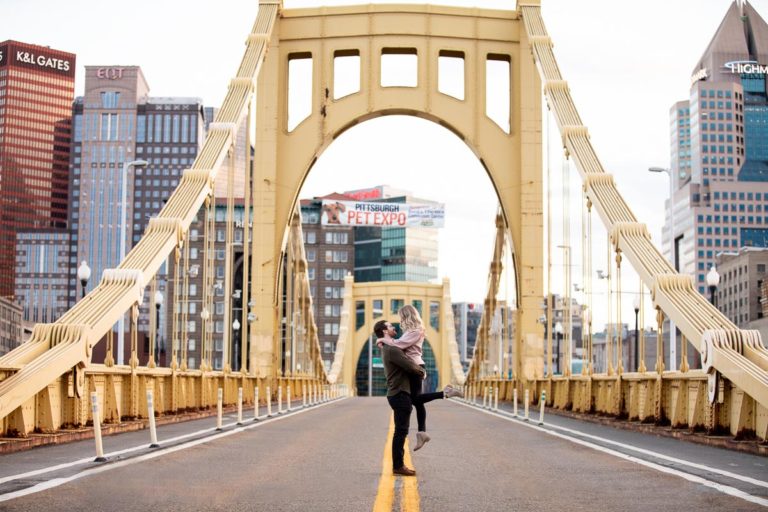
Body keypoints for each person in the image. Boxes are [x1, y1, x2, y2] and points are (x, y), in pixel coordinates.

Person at [377, 305, 463, 452]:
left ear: (406, 316)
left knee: (416, 399)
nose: (400, 320)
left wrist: (383, 340)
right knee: (417, 400)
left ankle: (446, 393)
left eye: (401, 316)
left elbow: (399, 345)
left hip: (414, 367)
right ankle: (422, 433)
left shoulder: (416, 331)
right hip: (413, 366)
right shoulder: (410, 331)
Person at [374, 319, 424, 476]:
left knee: (400, 431)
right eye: (390, 326)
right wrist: (422, 372)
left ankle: (398, 464)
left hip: (397, 393)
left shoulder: (389, 348)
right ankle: (398, 465)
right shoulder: (392, 350)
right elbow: (410, 366)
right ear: (384, 331)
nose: (393, 327)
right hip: (400, 394)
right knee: (401, 432)